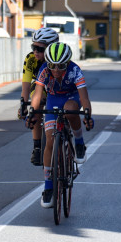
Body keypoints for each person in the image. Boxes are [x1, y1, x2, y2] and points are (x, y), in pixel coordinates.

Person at [29, 42, 94, 208]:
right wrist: (33, 113)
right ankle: (48, 186)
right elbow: (37, 96)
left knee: (70, 109)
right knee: (50, 140)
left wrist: (87, 114)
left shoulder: (75, 71)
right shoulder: (43, 70)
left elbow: (84, 98)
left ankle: (79, 142)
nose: (56, 70)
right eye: (53, 66)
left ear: (68, 63)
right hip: (53, 99)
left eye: (61, 66)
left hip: (72, 97)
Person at [18, 27, 59, 166]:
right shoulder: (30, 59)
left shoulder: (58, 58)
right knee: (37, 106)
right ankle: (37, 147)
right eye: (33, 47)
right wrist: (23, 104)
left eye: (40, 49)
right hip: (39, 86)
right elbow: (26, 84)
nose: (35, 51)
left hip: (57, 87)